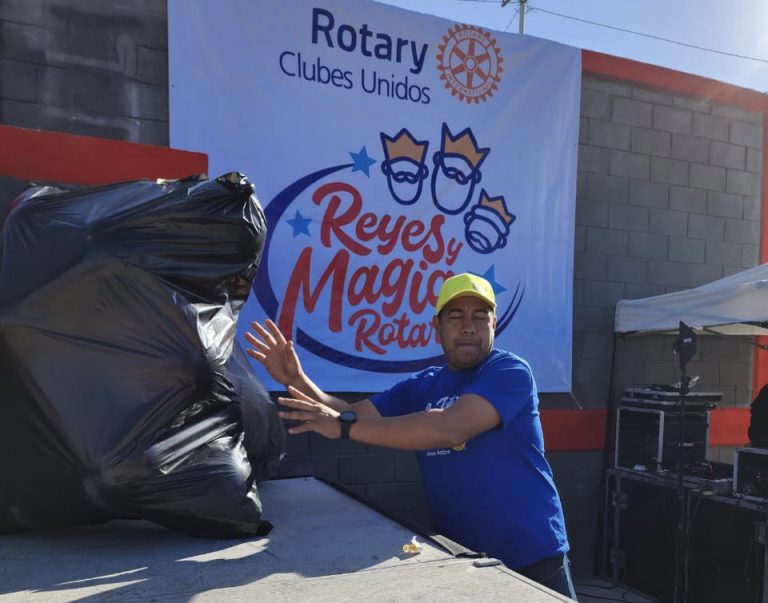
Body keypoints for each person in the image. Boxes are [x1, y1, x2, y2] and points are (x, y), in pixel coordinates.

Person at [244, 273, 577, 600]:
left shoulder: (508, 372)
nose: (468, 326)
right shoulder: (424, 384)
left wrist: (341, 426)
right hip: (465, 556)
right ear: (437, 326)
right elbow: (352, 414)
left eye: (480, 316)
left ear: (494, 324)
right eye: (456, 316)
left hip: (531, 555)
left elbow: (449, 428)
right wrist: (299, 380)